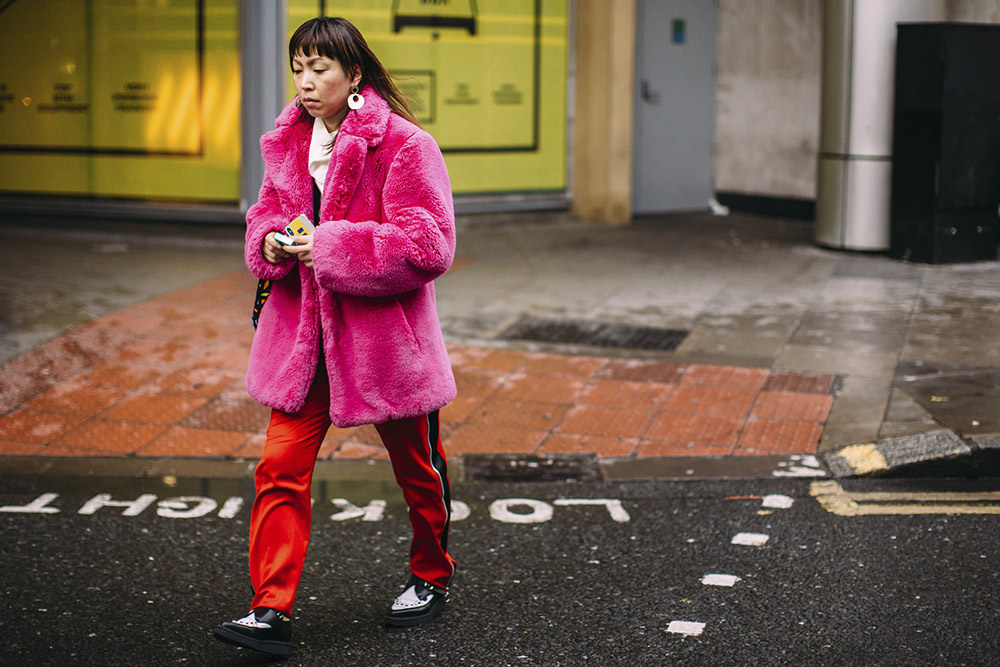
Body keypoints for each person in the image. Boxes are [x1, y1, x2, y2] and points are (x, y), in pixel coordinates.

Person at [214, 16, 458, 657]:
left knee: (418, 469)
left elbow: (430, 245)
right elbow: (264, 212)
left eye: (319, 67)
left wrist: (326, 246)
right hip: (303, 343)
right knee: (278, 470)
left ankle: (431, 577)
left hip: (386, 346)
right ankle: (269, 611)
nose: (306, 81)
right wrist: (268, 239)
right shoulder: (288, 142)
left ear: (354, 75)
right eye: (298, 67)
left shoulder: (406, 146)